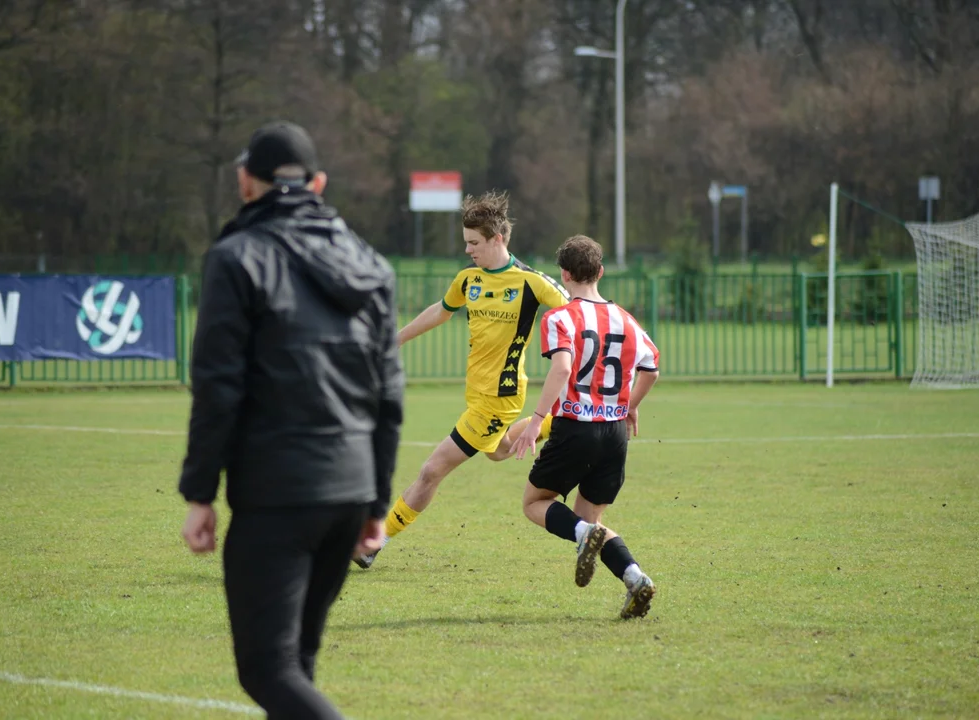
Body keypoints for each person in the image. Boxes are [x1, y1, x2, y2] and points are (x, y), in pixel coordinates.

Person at [178, 121, 404, 719]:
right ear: (319, 184)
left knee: (268, 670)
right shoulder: (372, 264)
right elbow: (388, 398)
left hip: (278, 494)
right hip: (350, 492)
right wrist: (376, 504)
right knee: (296, 666)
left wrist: (200, 494)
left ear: (245, 183)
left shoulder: (235, 257)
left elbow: (218, 386)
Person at [354, 191, 568, 569]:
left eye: (474, 243)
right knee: (499, 450)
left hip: (498, 399)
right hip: (479, 396)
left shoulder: (532, 283)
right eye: (466, 242)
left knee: (430, 471)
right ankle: (558, 419)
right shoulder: (468, 279)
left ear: (497, 239)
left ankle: (374, 541)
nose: (468, 250)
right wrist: (395, 340)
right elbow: (440, 310)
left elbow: (577, 310)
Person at [509, 234, 659, 619]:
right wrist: (629, 406)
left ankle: (587, 540)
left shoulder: (559, 317)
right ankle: (635, 577)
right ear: (601, 272)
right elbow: (652, 367)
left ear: (564, 274)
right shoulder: (625, 319)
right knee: (588, 522)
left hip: (576, 427)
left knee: (534, 503)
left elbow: (561, 368)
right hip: (614, 436)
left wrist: (537, 420)